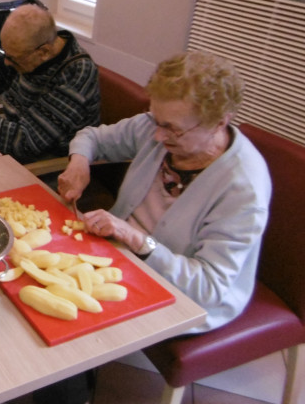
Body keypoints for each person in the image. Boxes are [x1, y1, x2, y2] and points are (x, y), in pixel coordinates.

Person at [58, 50, 271, 332]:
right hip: (121, 254)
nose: (158, 136)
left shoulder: (243, 189)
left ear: (219, 122)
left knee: (67, 317)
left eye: (172, 129)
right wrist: (80, 163)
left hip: (185, 296)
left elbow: (208, 288)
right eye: (157, 121)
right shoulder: (157, 127)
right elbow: (92, 137)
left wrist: (135, 238)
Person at [0, 2, 100, 163]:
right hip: (11, 144)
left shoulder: (75, 74)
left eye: (13, 58)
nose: (7, 63)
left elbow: (25, 142)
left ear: (43, 52)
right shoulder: (28, 51)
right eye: (6, 54)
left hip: (49, 165)